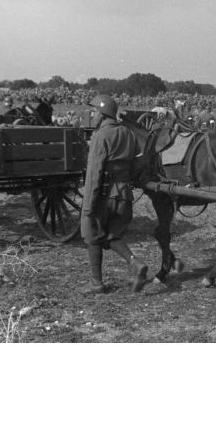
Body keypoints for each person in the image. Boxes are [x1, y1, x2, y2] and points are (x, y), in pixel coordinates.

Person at [80, 93, 148, 294]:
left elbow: (94, 174)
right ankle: (135, 263)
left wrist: (88, 207)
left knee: (91, 234)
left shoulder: (101, 136)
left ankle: (96, 283)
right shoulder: (128, 133)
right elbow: (138, 162)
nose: (92, 115)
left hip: (103, 195)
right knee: (111, 235)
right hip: (124, 194)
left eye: (93, 111)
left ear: (102, 114)